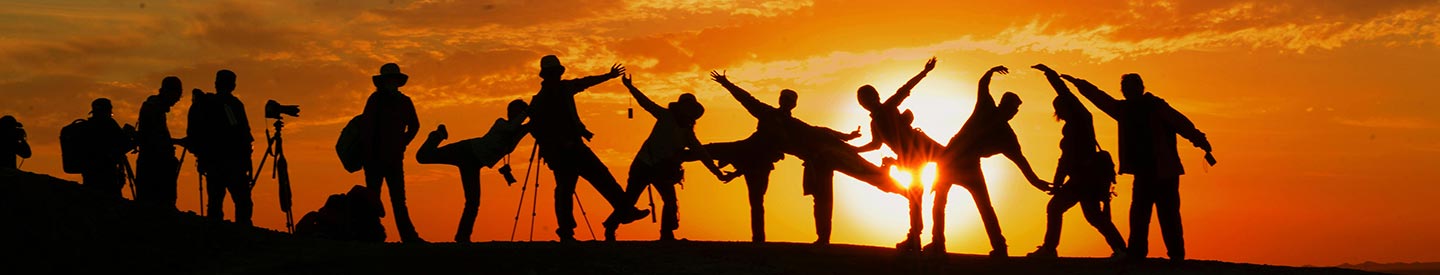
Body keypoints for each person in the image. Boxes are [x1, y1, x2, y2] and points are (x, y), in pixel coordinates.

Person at [709, 71, 905, 245]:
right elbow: (746, 99)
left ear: (793, 104)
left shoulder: (794, 123)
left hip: (828, 154)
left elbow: (820, 131)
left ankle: (907, 193)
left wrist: (846, 137)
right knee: (823, 199)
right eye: (785, 98)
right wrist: (726, 84)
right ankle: (822, 239)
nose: (787, 102)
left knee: (870, 175)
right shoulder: (767, 114)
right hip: (815, 161)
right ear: (781, 100)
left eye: (790, 100)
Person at [1063, 73, 1214, 263]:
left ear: (1141, 88)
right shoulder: (1124, 110)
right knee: (1139, 215)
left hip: (1164, 172)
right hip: (1144, 173)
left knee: (1167, 215)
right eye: (1126, 87)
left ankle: (1175, 255)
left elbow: (1181, 124)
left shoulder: (1156, 107)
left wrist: (1201, 141)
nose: (1129, 90)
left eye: (1132, 87)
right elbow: (1101, 99)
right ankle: (1137, 253)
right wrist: (1079, 84)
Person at [924, 65, 1052, 256]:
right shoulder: (986, 109)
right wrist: (990, 71)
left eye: (1015, 109)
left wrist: (1037, 182)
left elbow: (1021, 162)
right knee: (943, 203)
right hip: (951, 161)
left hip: (966, 165)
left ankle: (998, 246)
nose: (1014, 112)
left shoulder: (1006, 136)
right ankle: (938, 243)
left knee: (981, 206)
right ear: (1004, 105)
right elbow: (982, 84)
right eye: (1013, 107)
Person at [527, 55, 649, 242]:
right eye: (554, 73)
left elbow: (585, 82)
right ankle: (568, 232)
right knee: (570, 189)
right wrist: (558, 144)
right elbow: (537, 129)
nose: (556, 76)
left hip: (574, 147)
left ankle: (623, 212)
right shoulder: (542, 100)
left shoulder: (560, 90)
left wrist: (608, 76)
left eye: (556, 73)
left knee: (598, 179)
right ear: (548, 75)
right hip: (562, 153)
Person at [611, 74, 729, 241]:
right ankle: (610, 226)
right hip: (643, 165)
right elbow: (646, 103)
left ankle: (666, 234)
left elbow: (702, 153)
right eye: (687, 107)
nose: (688, 111)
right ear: (681, 107)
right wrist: (630, 88)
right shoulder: (666, 116)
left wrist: (716, 172)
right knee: (630, 200)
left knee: (670, 202)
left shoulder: (688, 133)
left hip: (661, 170)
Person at [1026, 64, 1126, 259]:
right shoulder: (1074, 126)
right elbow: (1064, 160)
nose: (1060, 111)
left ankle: (1049, 249)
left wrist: (1051, 74)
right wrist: (1057, 182)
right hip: (1084, 178)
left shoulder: (1082, 120)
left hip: (1084, 178)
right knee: (1093, 216)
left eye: (1062, 107)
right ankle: (1121, 250)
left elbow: (1066, 93)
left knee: (1058, 209)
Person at [853, 57, 943, 248]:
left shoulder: (888, 107)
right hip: (908, 159)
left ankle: (926, 238)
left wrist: (925, 72)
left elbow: (905, 88)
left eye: (867, 98)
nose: (865, 103)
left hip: (921, 147)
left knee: (952, 161)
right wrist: (855, 149)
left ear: (875, 96)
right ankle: (915, 237)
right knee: (915, 197)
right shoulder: (874, 123)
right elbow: (875, 145)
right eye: (862, 100)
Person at [414, 99, 531, 243]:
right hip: (466, 150)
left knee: (473, 201)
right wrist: (527, 112)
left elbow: (531, 126)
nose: (513, 114)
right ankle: (437, 135)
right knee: (423, 157)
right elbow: (512, 127)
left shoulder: (518, 130)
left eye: (518, 111)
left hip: (474, 163)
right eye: (514, 111)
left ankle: (463, 236)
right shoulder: (501, 123)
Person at [360, 63, 425, 243]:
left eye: (393, 80)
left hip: (392, 158)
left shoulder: (403, 102)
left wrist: (402, 143)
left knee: (396, 200)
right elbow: (367, 128)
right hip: (376, 158)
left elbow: (414, 126)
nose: (391, 83)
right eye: (389, 79)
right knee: (374, 198)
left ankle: (407, 237)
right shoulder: (376, 100)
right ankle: (372, 236)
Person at [188, 70, 255, 226]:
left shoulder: (204, 104)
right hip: (232, 163)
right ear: (233, 85)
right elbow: (240, 132)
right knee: (242, 202)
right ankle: (242, 235)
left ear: (216, 84)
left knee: (215, 202)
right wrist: (247, 161)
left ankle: (215, 235)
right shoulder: (231, 105)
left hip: (212, 162)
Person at [135, 76, 186, 209]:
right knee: (158, 205)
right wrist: (177, 143)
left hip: (151, 163)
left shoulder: (153, 107)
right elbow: (155, 139)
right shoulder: (154, 109)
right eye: (177, 95)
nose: (177, 100)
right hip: (155, 165)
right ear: (169, 92)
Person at [81, 98, 136, 198]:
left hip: (90, 174)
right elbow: (123, 144)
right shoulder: (109, 124)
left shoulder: (87, 127)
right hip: (107, 174)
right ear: (108, 110)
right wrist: (130, 138)